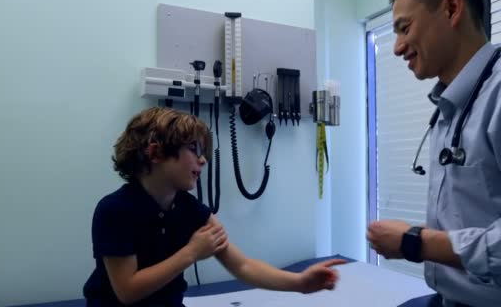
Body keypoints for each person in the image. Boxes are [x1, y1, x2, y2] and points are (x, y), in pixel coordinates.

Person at [366, 0, 501, 306]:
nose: (398, 47)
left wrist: (416, 243)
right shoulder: (451, 109)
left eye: (405, 28)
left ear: (451, 9)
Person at [83, 107, 346, 306]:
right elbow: (128, 290)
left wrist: (300, 283)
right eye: (193, 149)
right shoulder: (115, 211)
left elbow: (243, 266)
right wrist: (191, 253)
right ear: (155, 153)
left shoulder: (192, 210)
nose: (203, 160)